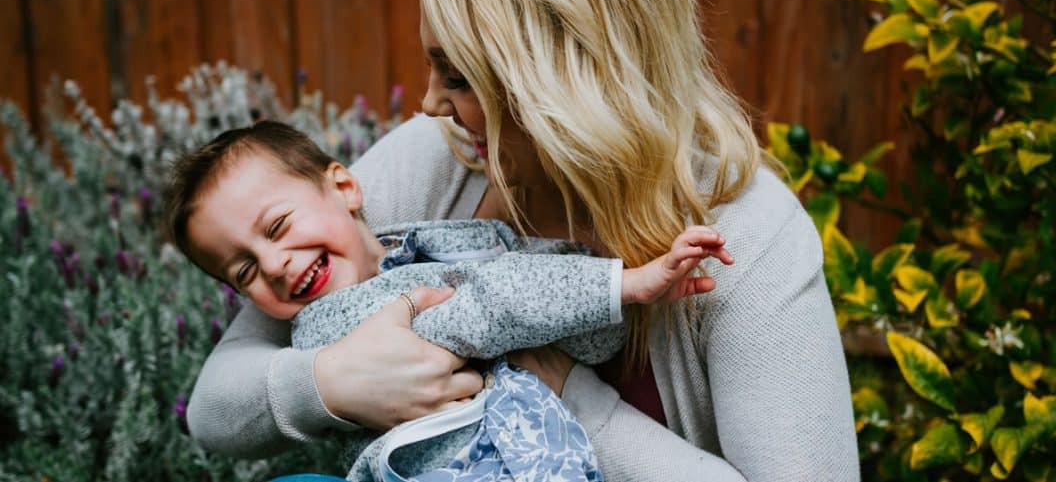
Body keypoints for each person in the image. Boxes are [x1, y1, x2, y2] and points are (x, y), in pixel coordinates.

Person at [187, 0, 860, 480]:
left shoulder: (748, 235)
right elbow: (216, 404)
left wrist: (571, 396)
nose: (428, 104)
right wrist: (333, 382)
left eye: (458, 77)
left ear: (568, 79)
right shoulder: (438, 157)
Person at [168, 121, 740, 481]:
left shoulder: (421, 247)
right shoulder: (335, 321)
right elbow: (487, 304)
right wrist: (625, 286)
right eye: (244, 271)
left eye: (277, 228)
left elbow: (574, 328)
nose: (273, 265)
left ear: (345, 187)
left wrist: (600, 313)